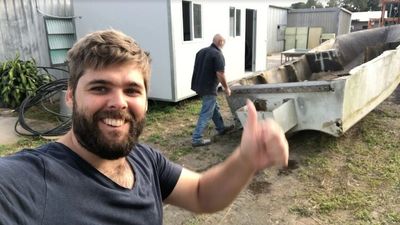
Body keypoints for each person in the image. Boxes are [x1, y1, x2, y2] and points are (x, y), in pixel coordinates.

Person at [0, 29, 289, 225]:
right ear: (71, 95)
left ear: (146, 100)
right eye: (100, 88)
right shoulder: (28, 182)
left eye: (132, 90)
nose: (119, 102)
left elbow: (202, 194)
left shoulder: (145, 160)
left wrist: (245, 160)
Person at [191, 34, 233, 147]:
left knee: (214, 107)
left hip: (199, 85)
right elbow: (220, 73)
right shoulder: (218, 54)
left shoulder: (201, 51)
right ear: (220, 42)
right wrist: (226, 88)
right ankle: (196, 138)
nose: (224, 45)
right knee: (206, 112)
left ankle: (221, 128)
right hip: (209, 87)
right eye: (224, 42)